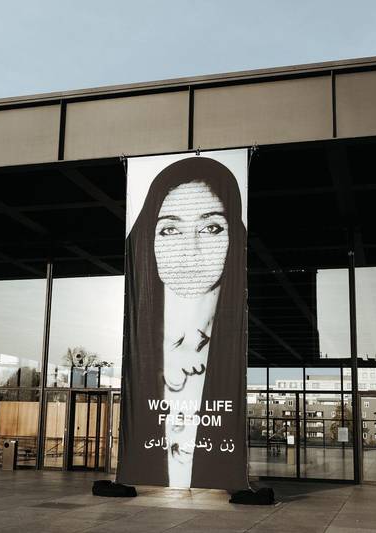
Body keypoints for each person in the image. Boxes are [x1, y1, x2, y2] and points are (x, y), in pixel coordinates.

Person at [118, 156, 248, 490]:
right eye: (171, 229)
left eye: (211, 227)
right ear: (150, 240)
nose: (190, 250)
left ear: (234, 237)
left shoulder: (229, 343)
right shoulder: (144, 347)